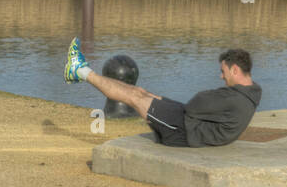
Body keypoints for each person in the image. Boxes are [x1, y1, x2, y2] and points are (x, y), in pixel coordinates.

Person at [64, 39, 261, 148]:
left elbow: (196, 104)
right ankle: (79, 71)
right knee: (140, 92)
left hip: (182, 132)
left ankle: (80, 71)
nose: (221, 77)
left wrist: (209, 98)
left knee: (134, 98)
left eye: (223, 72)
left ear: (235, 70)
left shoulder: (235, 97)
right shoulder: (249, 93)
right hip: (188, 123)